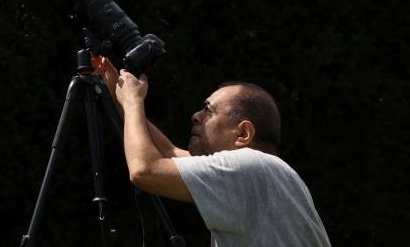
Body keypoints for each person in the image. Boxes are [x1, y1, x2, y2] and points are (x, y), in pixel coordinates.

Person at [96, 58, 330, 246]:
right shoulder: (266, 172)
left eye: (209, 110)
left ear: (243, 134)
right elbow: (168, 153)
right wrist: (118, 93)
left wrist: (133, 103)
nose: (196, 116)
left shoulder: (249, 166)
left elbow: (145, 170)